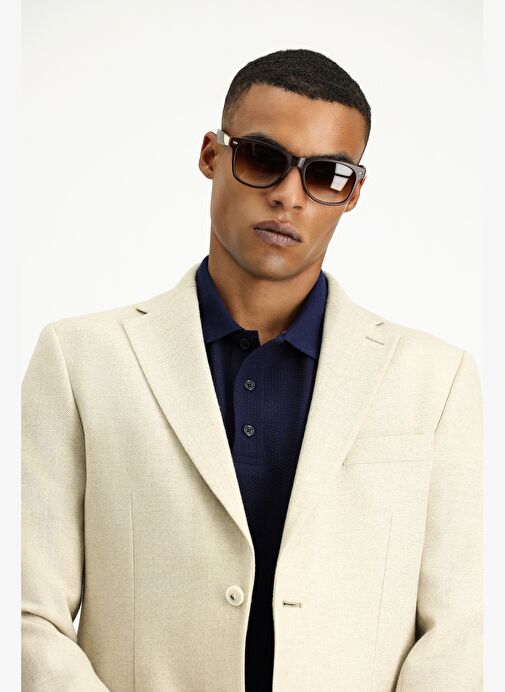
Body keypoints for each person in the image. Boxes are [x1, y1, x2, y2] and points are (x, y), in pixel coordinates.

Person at [22, 48, 483, 691]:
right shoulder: (80, 361)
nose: (289, 196)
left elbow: (464, 627)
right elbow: (26, 611)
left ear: (352, 194)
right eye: (264, 158)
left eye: (326, 174)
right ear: (212, 155)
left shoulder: (435, 381)